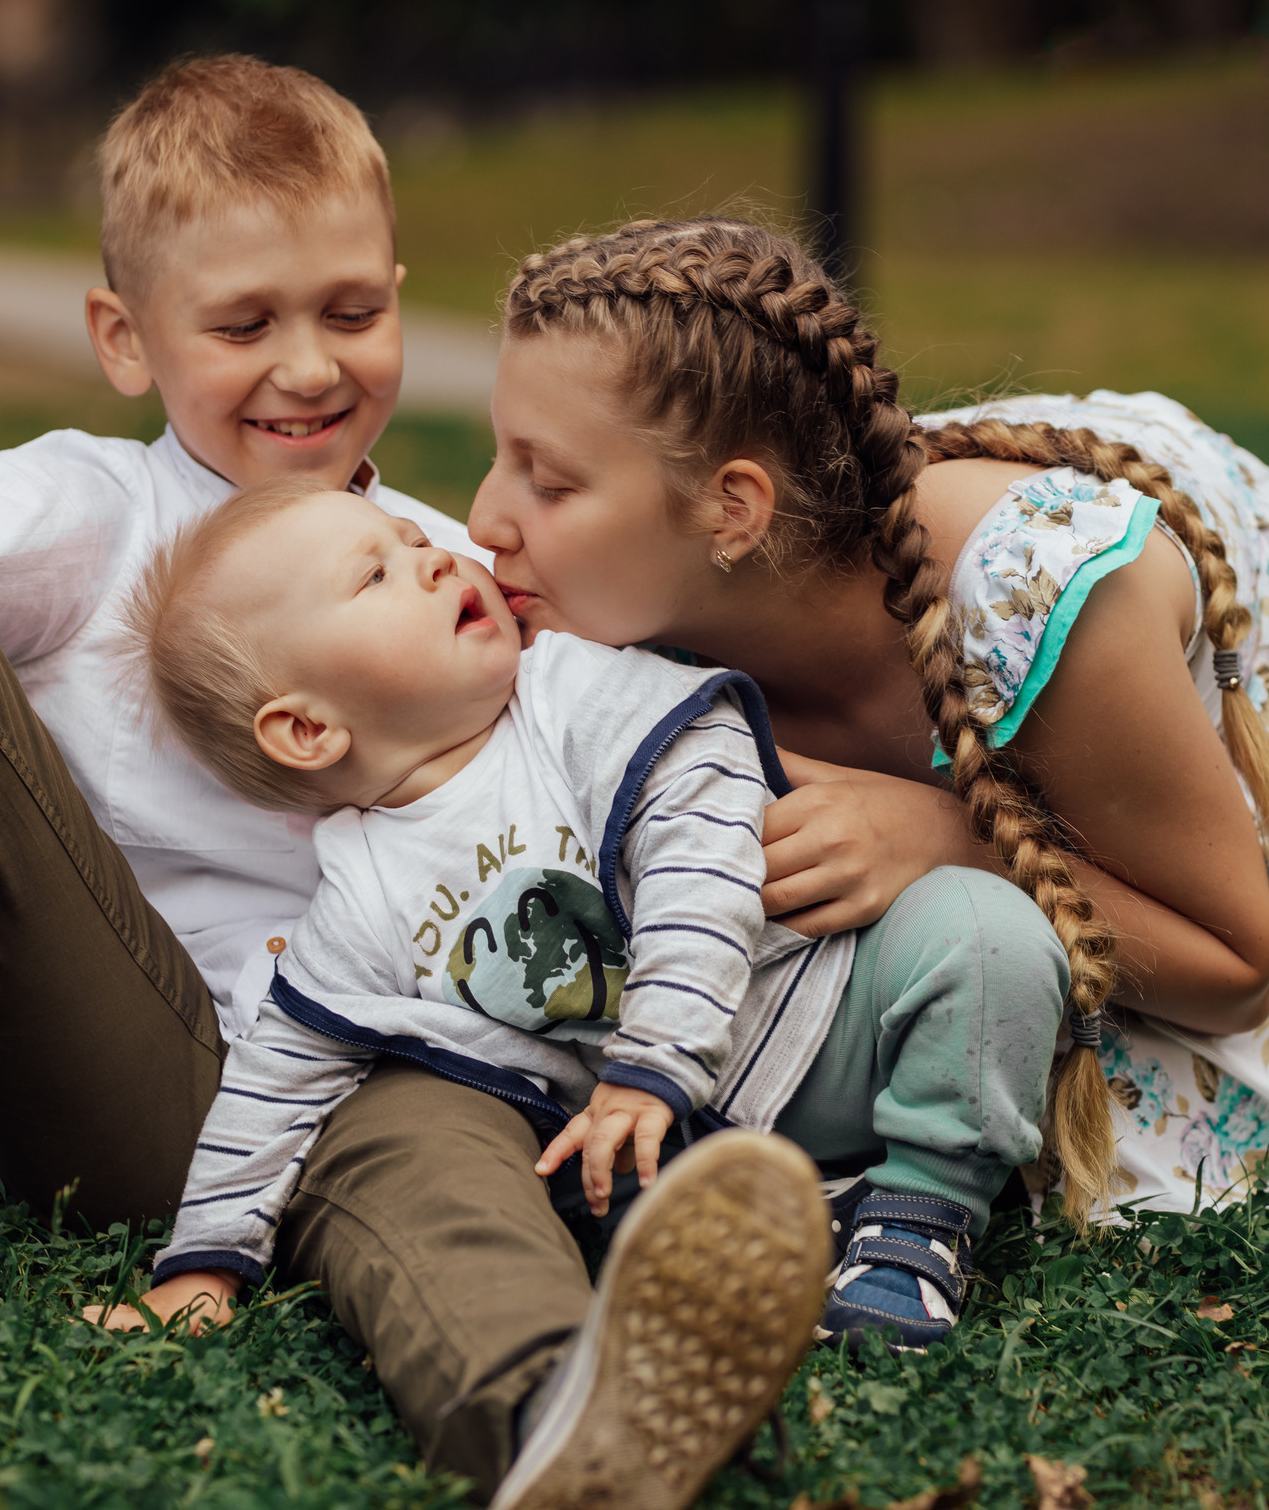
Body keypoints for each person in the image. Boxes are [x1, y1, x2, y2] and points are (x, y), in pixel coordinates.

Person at [0, 62, 860, 1505]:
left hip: (391, 1054)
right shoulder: (100, 510)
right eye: (242, 323)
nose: (308, 366)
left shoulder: (446, 561)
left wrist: (908, 818)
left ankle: (562, 1417)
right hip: (138, 1069)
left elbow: (664, 719)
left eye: (352, 312)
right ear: (126, 336)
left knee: (438, 1157)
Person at [469, 219, 1269, 1217]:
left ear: (732, 511)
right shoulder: (634, 616)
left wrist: (952, 839)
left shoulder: (1050, 606)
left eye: (548, 482)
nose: (484, 520)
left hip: (1193, 633)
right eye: (498, 458)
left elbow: (1235, 972)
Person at [87, 480, 1060, 1399]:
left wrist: (655, 1059)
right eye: (373, 576)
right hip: (676, 1150)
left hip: (837, 1012)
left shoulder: (574, 697)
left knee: (983, 933)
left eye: (418, 543)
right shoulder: (362, 903)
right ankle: (833, 1211)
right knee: (577, 1184)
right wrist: (205, 1261)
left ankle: (927, 1211)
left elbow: (700, 846)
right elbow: (278, 1079)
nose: (435, 561)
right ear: (305, 731)